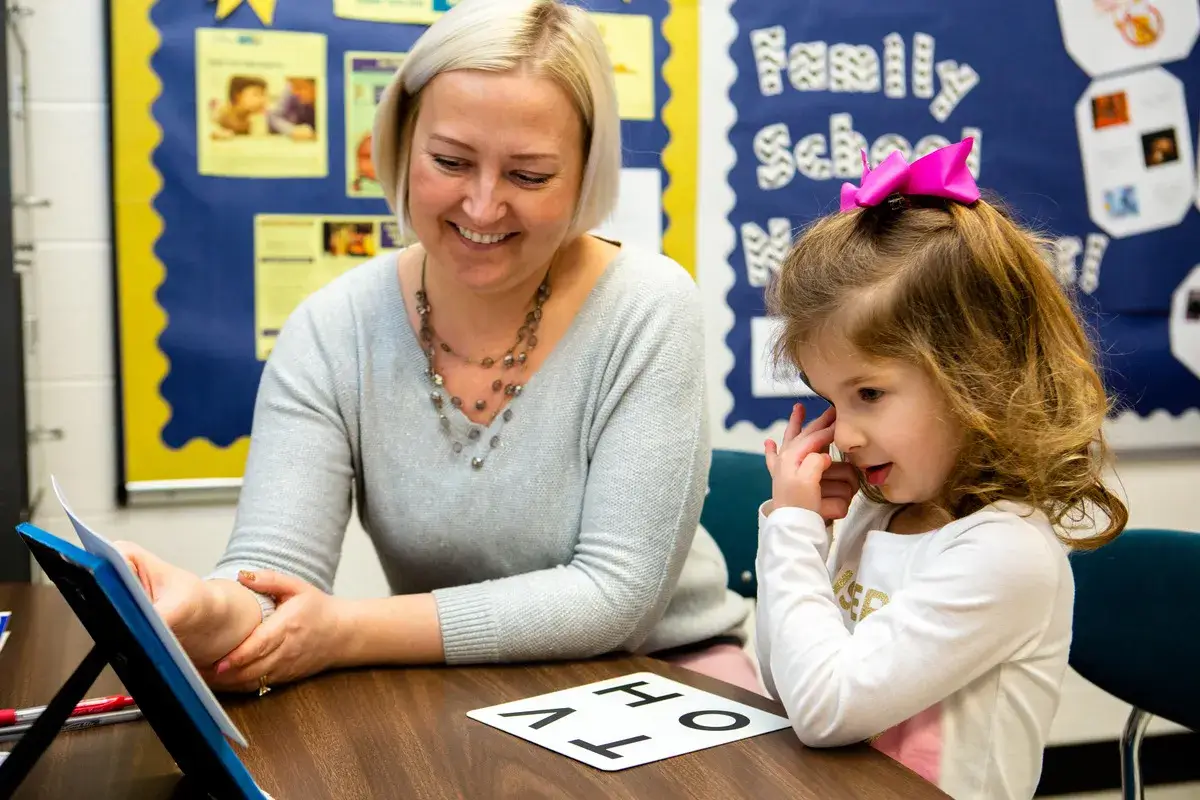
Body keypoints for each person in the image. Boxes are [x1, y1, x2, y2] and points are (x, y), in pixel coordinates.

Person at [116, 0, 754, 699]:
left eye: (530, 175)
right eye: (450, 161)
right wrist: (206, 610)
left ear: (585, 173)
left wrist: (346, 630)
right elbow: (274, 577)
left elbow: (613, 597)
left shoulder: (648, 306)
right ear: (401, 144)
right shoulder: (331, 328)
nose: (482, 206)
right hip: (456, 688)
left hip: (667, 672)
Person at [754, 139, 1128, 800]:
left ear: (978, 375)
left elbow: (821, 710)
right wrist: (805, 531)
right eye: (830, 399)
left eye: (868, 394)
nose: (844, 432)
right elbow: (784, 676)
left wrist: (789, 530)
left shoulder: (1005, 554)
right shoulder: (881, 510)